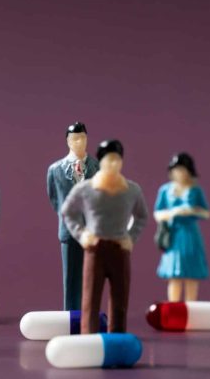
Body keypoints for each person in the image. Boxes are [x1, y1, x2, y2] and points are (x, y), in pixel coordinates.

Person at [61, 139, 148, 333]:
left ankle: (116, 339)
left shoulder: (131, 189)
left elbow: (142, 216)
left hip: (120, 249)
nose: (114, 164)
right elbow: (68, 212)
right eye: (109, 160)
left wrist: (131, 238)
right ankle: (88, 337)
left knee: (120, 300)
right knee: (90, 299)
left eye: (117, 160)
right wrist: (82, 234)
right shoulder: (86, 188)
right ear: (101, 161)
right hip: (95, 250)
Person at [47, 121, 100, 310]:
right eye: (75, 138)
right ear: (68, 141)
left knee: (91, 275)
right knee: (70, 276)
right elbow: (55, 199)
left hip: (93, 229)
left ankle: (89, 315)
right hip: (68, 230)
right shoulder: (55, 170)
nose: (79, 142)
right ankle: (70, 316)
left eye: (83, 138)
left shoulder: (97, 166)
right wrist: (68, 217)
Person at [154, 153, 210, 301]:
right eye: (176, 170)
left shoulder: (195, 190)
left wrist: (192, 211)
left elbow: (206, 213)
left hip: (190, 234)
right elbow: (157, 213)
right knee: (174, 274)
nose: (179, 173)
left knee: (191, 273)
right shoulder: (165, 190)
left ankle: (191, 307)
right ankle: (173, 307)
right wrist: (172, 213)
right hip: (174, 235)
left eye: (183, 170)